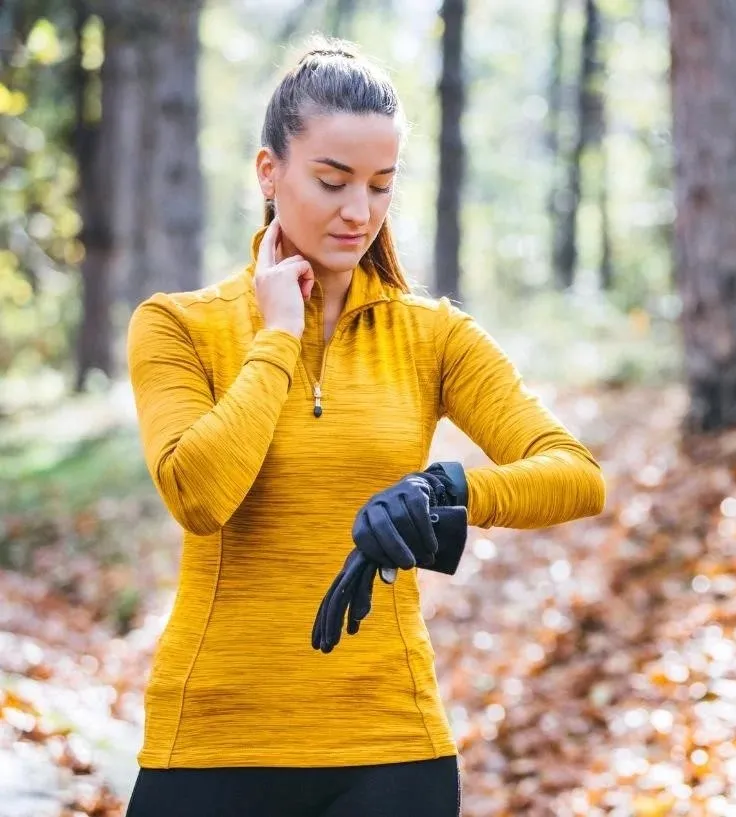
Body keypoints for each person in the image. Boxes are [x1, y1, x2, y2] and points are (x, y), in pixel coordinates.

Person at [121, 36, 605, 817]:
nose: (360, 212)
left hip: (392, 749)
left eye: (382, 185)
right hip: (212, 743)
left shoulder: (432, 335)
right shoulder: (179, 326)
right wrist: (277, 335)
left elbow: (575, 473)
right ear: (269, 172)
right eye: (333, 180)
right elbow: (199, 493)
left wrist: (443, 490)